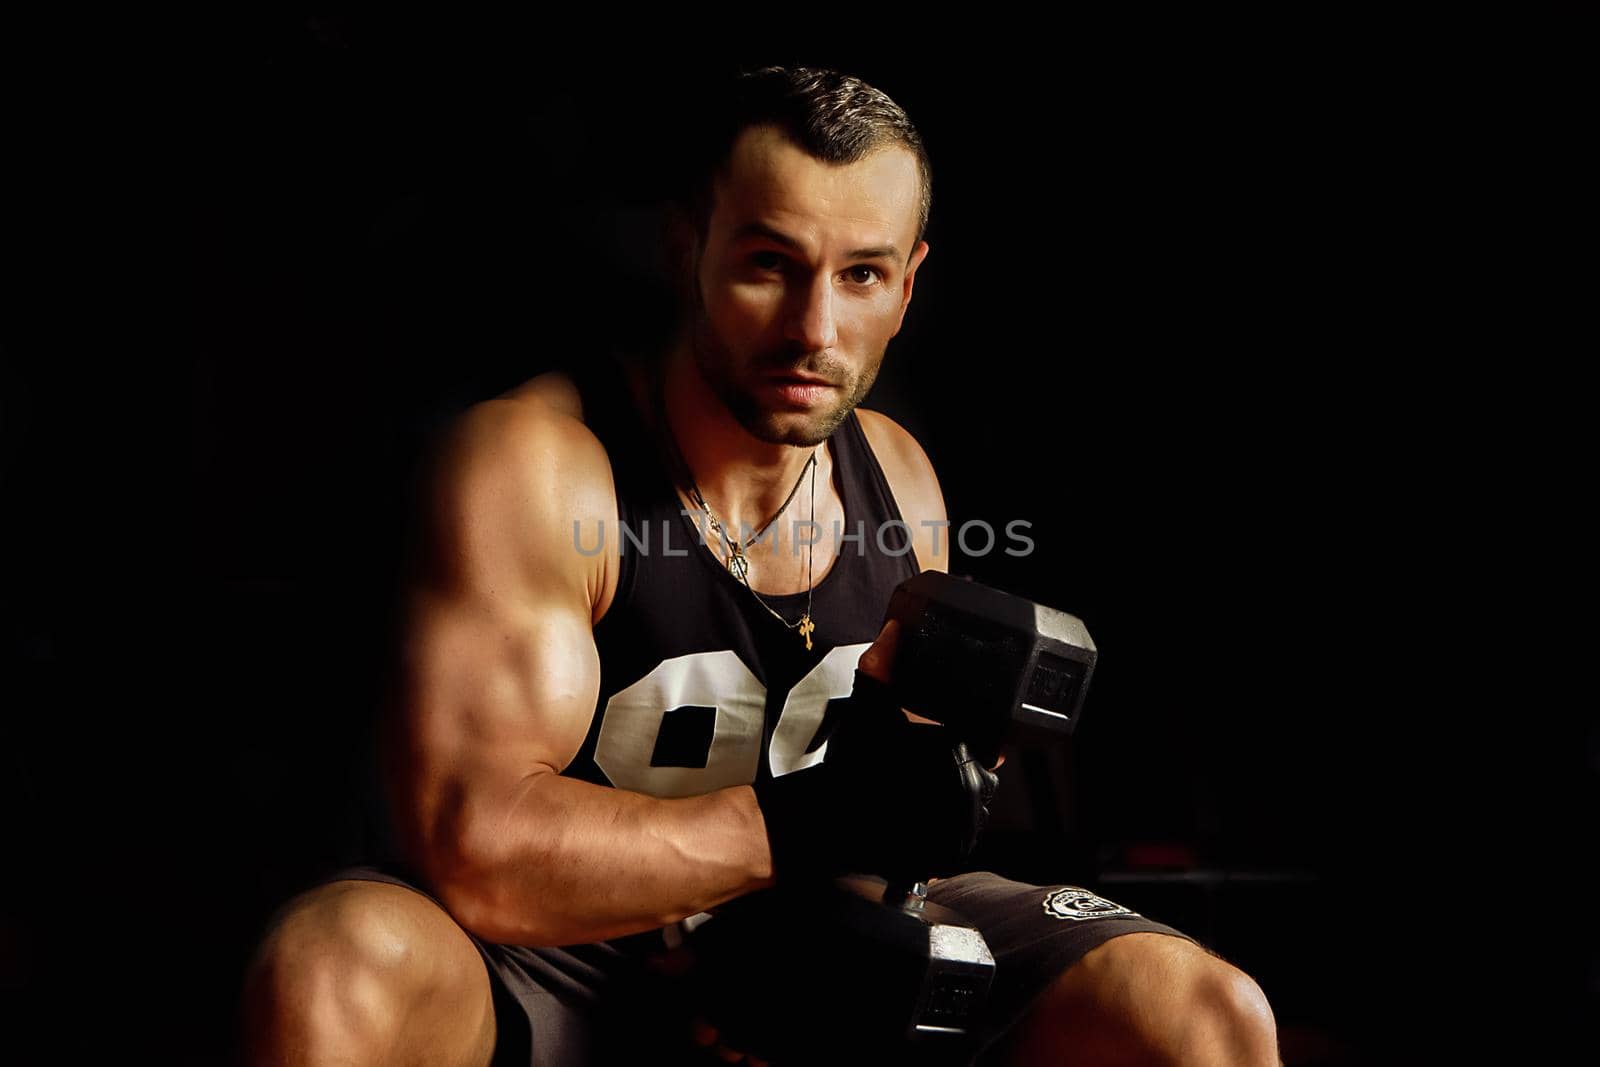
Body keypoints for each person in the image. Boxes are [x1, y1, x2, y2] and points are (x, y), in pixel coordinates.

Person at [239, 66, 1280, 1066]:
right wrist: (807, 824)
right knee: (336, 961)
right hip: (555, 956)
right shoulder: (537, 465)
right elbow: (478, 847)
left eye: (860, 274)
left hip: (808, 937)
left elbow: (905, 829)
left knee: (1202, 1010)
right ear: (686, 244)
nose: (813, 330)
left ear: (908, 282)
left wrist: (821, 957)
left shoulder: (899, 479)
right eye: (768, 264)